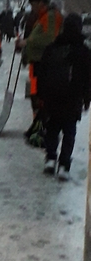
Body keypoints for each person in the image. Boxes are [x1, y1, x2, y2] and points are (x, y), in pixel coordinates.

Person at [37, 13, 91, 180]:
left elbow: (42, 73)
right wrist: (87, 97)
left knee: (52, 128)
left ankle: (51, 158)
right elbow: (88, 77)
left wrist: (41, 95)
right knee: (69, 132)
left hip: (52, 96)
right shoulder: (84, 51)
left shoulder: (52, 48)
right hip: (72, 98)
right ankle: (64, 165)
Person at [16, 0, 63, 145]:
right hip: (36, 64)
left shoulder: (50, 17)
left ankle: (42, 129)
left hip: (44, 65)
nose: (32, 8)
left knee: (41, 98)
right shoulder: (42, 17)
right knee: (35, 97)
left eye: (34, 4)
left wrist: (27, 42)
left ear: (41, 3)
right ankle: (37, 127)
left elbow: (50, 39)